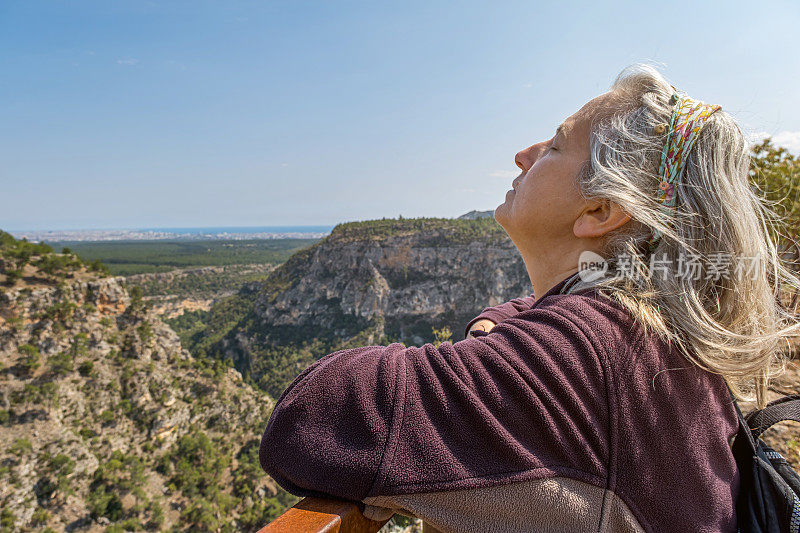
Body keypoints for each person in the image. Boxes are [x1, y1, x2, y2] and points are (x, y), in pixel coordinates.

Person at [258, 64, 800, 532]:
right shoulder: (650, 330)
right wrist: (496, 322)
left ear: (600, 213)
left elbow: (306, 418)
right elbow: (536, 319)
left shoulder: (583, 357)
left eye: (556, 145)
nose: (522, 155)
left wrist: (490, 343)